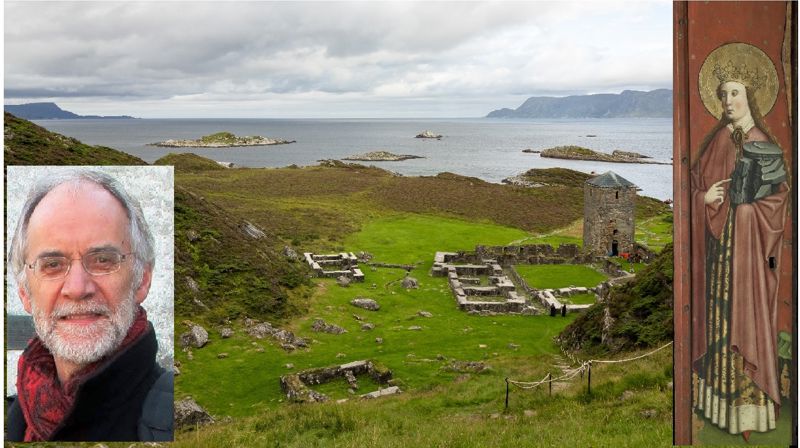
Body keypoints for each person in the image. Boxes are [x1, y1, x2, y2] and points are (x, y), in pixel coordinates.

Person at [6, 170, 173, 442]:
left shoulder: (170, 418)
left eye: (103, 260)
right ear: (25, 292)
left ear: (142, 279)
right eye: (52, 265)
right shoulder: (14, 418)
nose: (78, 288)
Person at [690, 62, 789, 440]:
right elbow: (697, 185)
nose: (727, 100)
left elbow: (779, 199)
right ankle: (721, 410)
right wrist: (704, 197)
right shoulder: (718, 140)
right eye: (723, 94)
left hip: (747, 255)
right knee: (719, 322)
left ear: (750, 98)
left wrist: (745, 210)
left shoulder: (761, 140)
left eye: (735, 93)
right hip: (719, 255)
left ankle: (751, 414)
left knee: (743, 321)